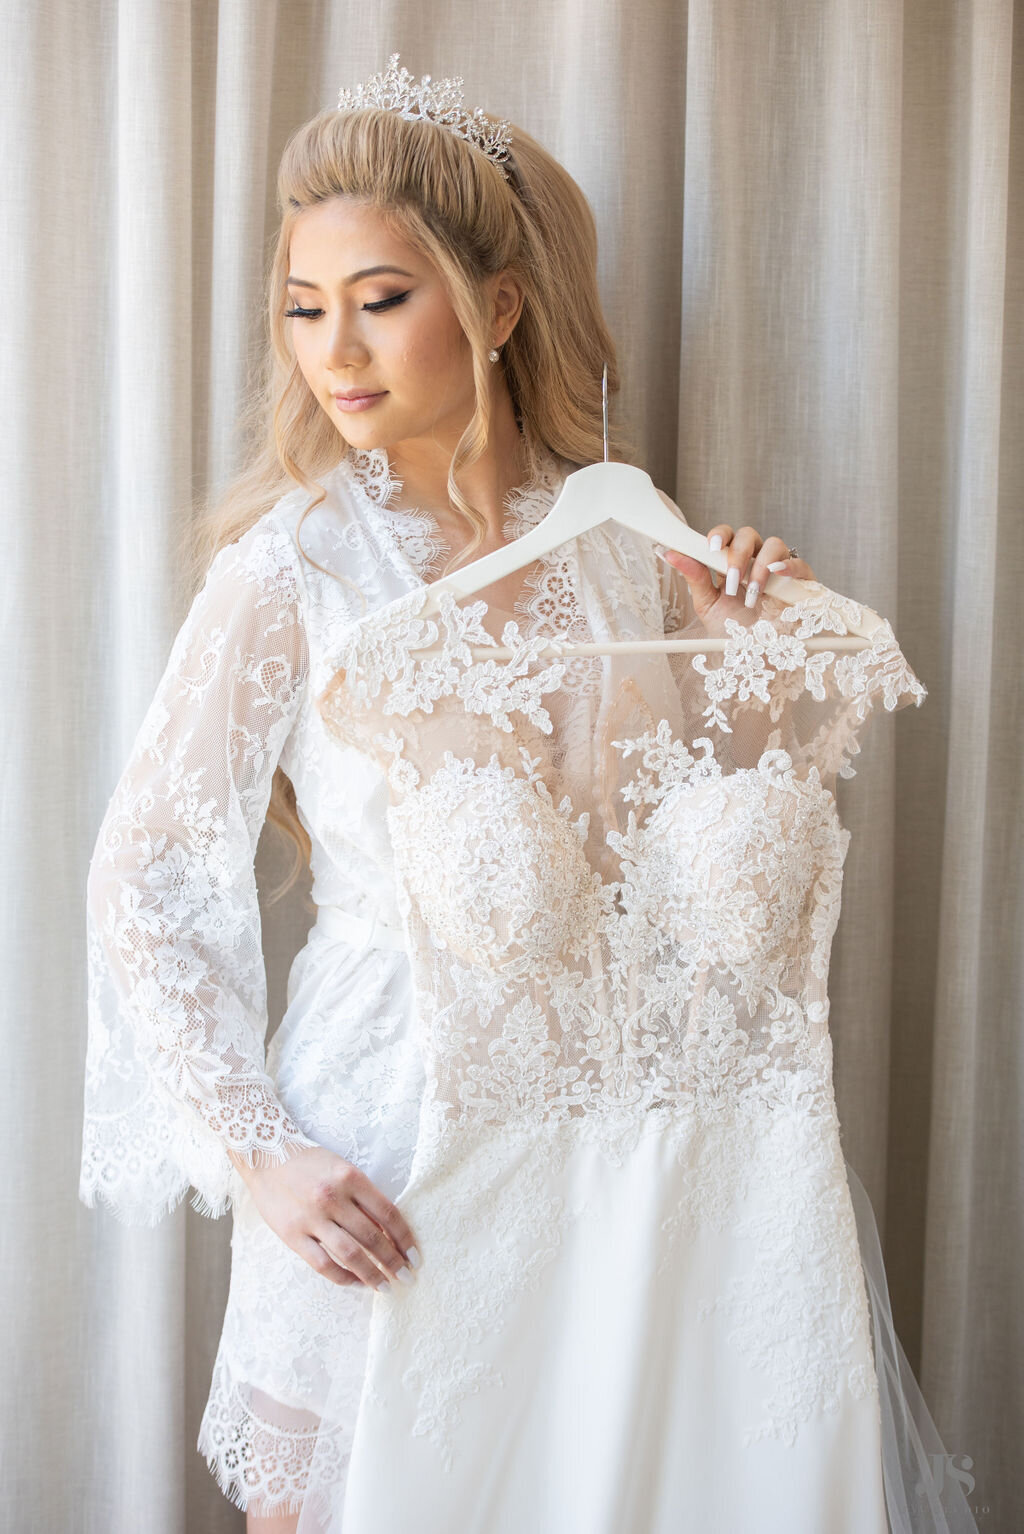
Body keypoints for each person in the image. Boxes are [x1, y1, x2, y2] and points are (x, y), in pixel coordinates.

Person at [80, 55, 821, 1533]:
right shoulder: (291, 569)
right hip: (375, 1152)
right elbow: (146, 877)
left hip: (594, 1154)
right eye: (304, 309)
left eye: (380, 298)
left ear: (495, 305)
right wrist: (264, 1155)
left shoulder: (622, 546)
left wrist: (747, 662)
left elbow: (680, 885)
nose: (334, 351)